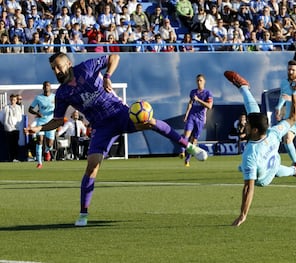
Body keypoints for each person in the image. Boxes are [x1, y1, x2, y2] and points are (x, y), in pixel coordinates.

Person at [24, 52, 208, 227]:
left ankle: (189, 147)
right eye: (53, 69)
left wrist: (107, 76)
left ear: (68, 64)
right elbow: (57, 121)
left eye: (58, 67)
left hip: (119, 113)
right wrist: (39, 128)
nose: (56, 72)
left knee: (149, 121)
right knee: (92, 166)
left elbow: (114, 57)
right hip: (101, 127)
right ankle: (83, 213)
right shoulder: (63, 93)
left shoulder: (87, 67)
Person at [223, 70, 296, 227]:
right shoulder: (273, 132)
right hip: (272, 158)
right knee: (254, 113)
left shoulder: (250, 155)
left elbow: (249, 187)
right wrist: (295, 92)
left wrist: (243, 215)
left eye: (248, 125)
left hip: (264, 178)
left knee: (272, 170)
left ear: (254, 130)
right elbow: (294, 117)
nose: (245, 125)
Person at [179, 74, 213, 166]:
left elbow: (209, 106)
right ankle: (182, 151)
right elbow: (190, 103)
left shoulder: (208, 93)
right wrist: (186, 115)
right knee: (186, 135)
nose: (198, 82)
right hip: (192, 116)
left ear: (204, 81)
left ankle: (187, 159)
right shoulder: (193, 92)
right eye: (197, 80)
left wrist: (198, 100)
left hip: (200, 119)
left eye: (200, 80)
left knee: (194, 141)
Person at [28, 81, 56, 168]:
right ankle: (39, 162)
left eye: (48, 85)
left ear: (50, 87)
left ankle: (47, 151)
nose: (46, 87)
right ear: (43, 88)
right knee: (39, 140)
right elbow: (30, 109)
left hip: (51, 123)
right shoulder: (38, 98)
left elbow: (59, 107)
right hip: (41, 121)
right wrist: (37, 113)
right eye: (45, 86)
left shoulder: (54, 97)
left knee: (50, 144)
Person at [3, 94, 22, 162]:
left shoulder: (18, 108)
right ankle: (10, 158)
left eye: (14, 100)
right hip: (9, 129)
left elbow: (20, 118)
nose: (12, 101)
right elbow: (2, 118)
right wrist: (6, 125)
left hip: (16, 128)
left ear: (16, 100)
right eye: (11, 100)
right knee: (10, 144)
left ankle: (16, 158)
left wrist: (19, 126)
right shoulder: (6, 107)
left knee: (16, 143)